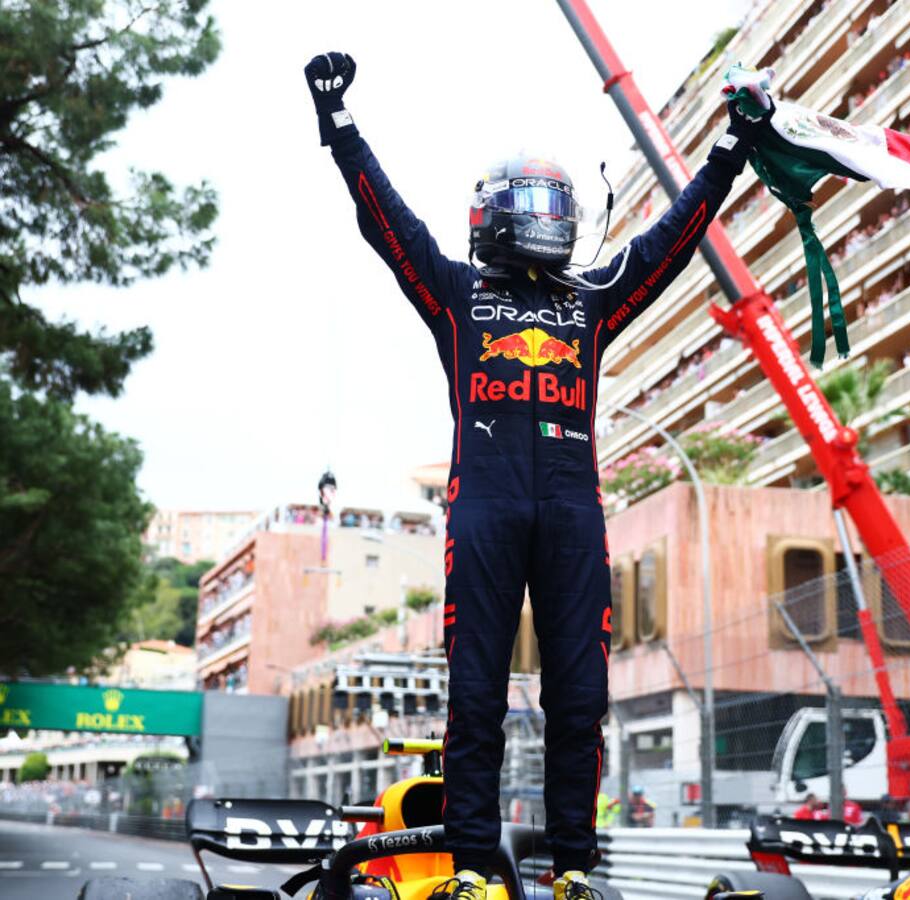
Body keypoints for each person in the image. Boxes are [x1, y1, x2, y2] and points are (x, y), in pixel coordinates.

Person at [304, 50, 769, 898]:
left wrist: (731, 148)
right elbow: (389, 224)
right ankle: (471, 869)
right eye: (531, 203)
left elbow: (672, 242)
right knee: (476, 692)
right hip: (483, 509)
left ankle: (574, 870)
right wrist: (340, 126)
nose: (547, 217)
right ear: (492, 215)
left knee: (581, 698)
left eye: (557, 204)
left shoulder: (591, 299)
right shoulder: (455, 292)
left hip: (571, 514)